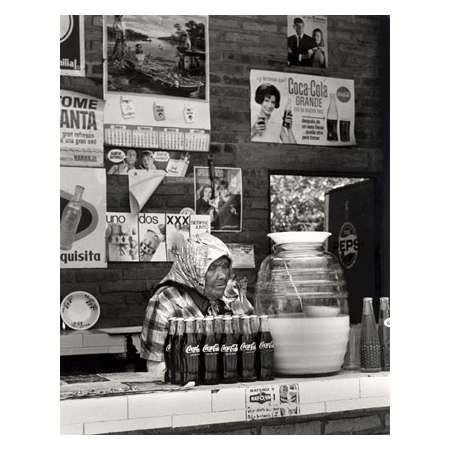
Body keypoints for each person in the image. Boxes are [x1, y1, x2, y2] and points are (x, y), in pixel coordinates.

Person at [140, 233, 254, 379]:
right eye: (212, 267)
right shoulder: (165, 302)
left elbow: (254, 343)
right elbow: (155, 368)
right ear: (192, 267)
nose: (223, 276)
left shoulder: (233, 296)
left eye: (225, 266)